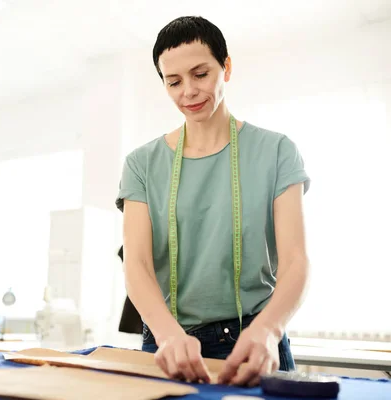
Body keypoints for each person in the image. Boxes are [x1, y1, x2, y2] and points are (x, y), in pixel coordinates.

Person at [116, 16, 310, 387]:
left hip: (255, 340)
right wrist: (167, 334)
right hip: (170, 342)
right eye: (173, 82)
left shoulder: (277, 151)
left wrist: (269, 328)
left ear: (227, 67)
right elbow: (137, 265)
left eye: (200, 74)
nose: (187, 91)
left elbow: (296, 260)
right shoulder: (140, 164)